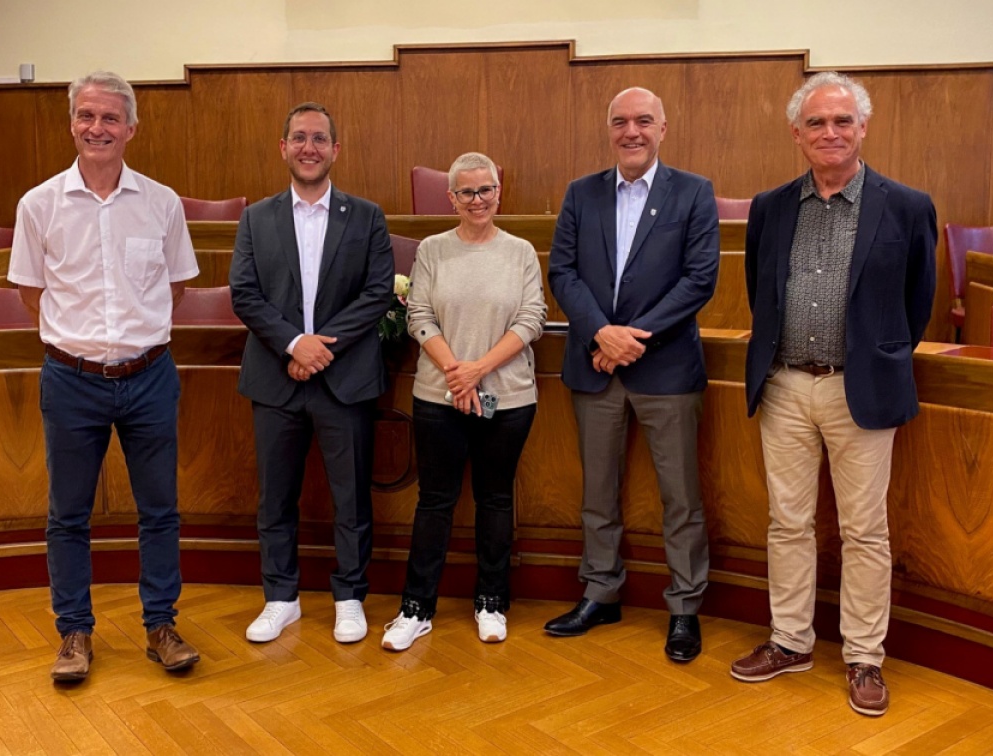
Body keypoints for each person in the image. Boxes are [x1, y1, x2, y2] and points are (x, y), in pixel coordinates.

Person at [730, 71, 936, 718]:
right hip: (786, 385)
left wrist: (879, 356)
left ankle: (864, 656)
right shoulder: (770, 207)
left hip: (861, 388)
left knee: (864, 530)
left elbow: (919, 300)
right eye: (816, 122)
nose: (830, 132)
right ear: (797, 134)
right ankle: (790, 641)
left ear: (863, 127)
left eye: (842, 120)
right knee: (787, 522)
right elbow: (759, 287)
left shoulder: (907, 207)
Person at [8, 71, 200, 682]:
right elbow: (31, 294)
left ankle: (161, 626)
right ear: (72, 124)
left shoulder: (162, 202)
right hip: (71, 380)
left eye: (110, 118)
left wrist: (129, 341)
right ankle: (74, 632)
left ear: (131, 128)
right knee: (68, 514)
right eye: (87, 116)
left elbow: (175, 286)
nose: (98, 128)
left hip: (149, 377)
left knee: (160, 510)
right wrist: (84, 345)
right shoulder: (38, 204)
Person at [545, 87, 719, 662]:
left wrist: (628, 340)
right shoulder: (581, 193)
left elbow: (698, 280)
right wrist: (601, 333)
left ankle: (684, 606)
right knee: (597, 493)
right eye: (620, 121)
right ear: (609, 129)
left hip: (666, 369)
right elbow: (563, 272)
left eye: (644, 120)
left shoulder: (692, 192)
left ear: (663, 128)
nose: (632, 131)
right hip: (595, 367)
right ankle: (600, 592)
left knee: (681, 497)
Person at [229, 102, 394, 645]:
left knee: (351, 498)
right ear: (283, 148)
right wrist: (293, 344)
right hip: (275, 379)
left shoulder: (366, 216)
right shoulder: (256, 218)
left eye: (320, 138)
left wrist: (320, 347)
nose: (309, 147)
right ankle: (281, 598)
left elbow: (377, 292)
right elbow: (245, 294)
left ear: (335, 150)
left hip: (344, 380)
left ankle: (349, 597)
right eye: (299, 137)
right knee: (276, 497)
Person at [379, 152, 547, 651]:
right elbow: (419, 315)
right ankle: (416, 608)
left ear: (499, 192)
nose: (478, 200)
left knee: (495, 499)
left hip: (508, 396)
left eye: (485, 190)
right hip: (438, 396)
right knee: (435, 500)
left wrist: (477, 370)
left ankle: (491, 601)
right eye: (467, 192)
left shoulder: (520, 252)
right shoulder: (433, 250)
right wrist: (457, 373)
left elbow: (531, 319)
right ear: (451, 198)